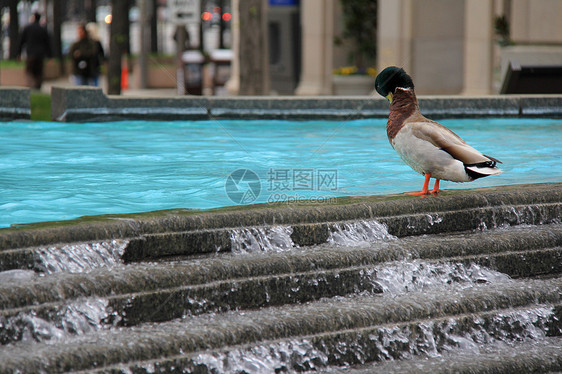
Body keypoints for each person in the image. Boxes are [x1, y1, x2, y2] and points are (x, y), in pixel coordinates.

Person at [17, 13, 52, 90]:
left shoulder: (27, 28)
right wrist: (50, 56)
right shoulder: (43, 29)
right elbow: (48, 43)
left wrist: (19, 53)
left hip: (31, 54)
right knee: (39, 72)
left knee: (29, 71)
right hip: (40, 55)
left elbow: (21, 42)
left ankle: (32, 86)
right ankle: (37, 86)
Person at [85, 22, 105, 87]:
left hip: (95, 65)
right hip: (87, 66)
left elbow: (101, 53)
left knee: (95, 82)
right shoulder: (86, 41)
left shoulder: (97, 41)